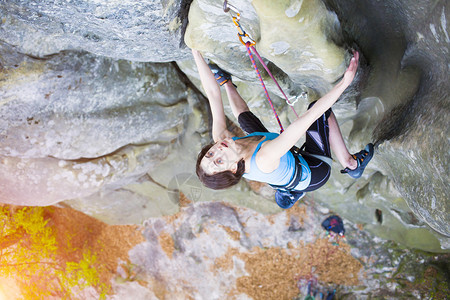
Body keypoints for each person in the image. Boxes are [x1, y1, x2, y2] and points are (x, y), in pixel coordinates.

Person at [192, 49, 374, 209]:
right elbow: (306, 119)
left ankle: (228, 83)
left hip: (280, 162)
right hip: (313, 170)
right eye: (218, 162)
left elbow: (212, 93)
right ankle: (351, 164)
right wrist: (344, 83)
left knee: (245, 119)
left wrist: (195, 51)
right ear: (232, 169)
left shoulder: (222, 140)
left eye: (209, 155)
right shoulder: (264, 158)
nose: (217, 152)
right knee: (317, 110)